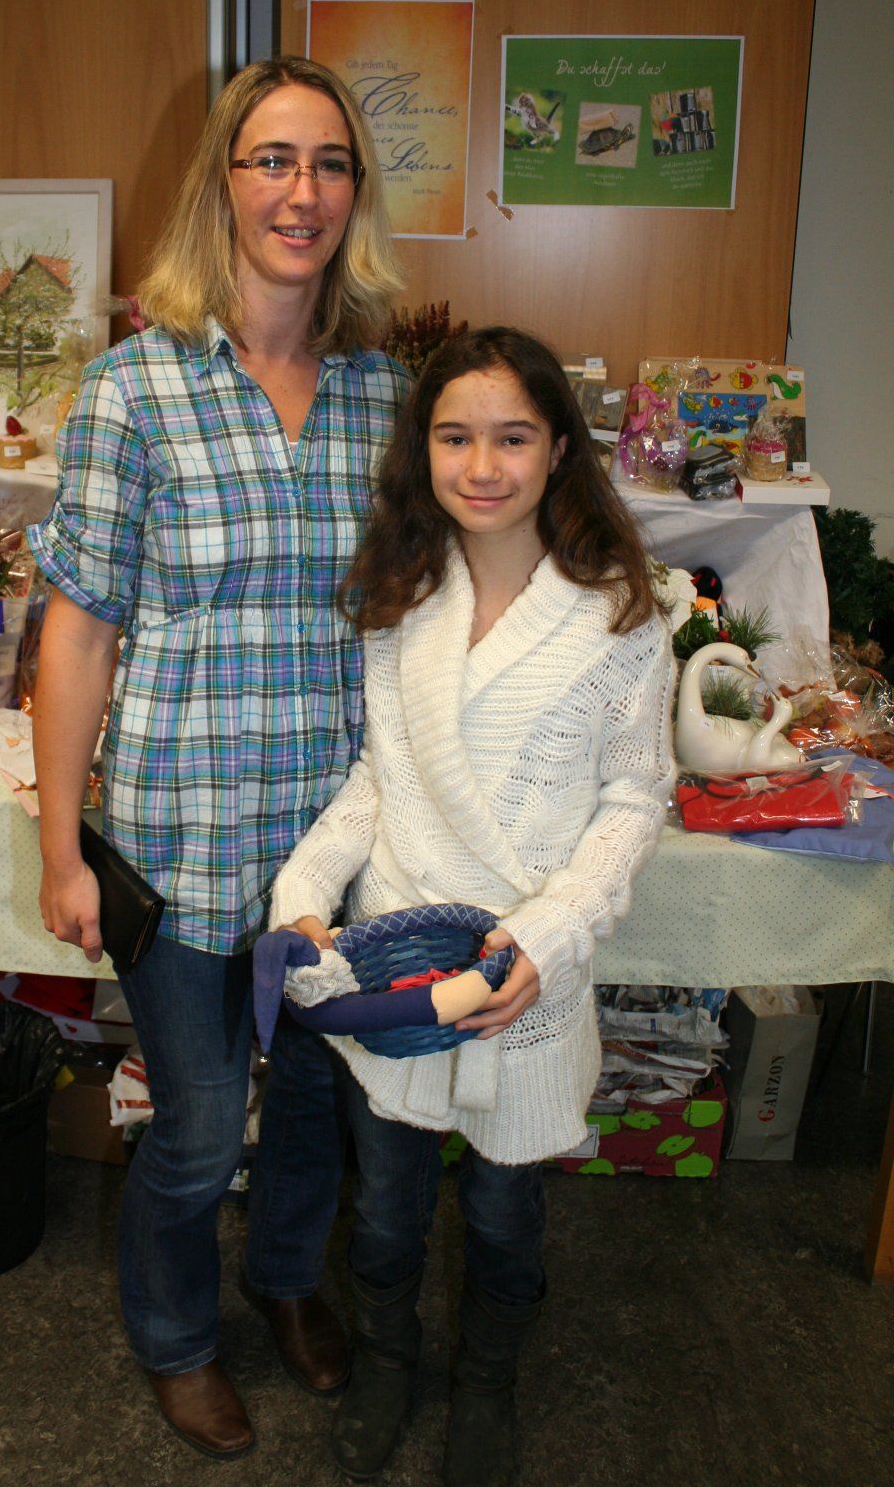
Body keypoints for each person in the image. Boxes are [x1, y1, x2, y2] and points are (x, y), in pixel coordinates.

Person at [25, 56, 405, 1460]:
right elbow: (78, 634)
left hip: (336, 846)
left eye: (330, 163)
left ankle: (288, 1281)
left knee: (311, 1103)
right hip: (180, 835)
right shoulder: (134, 390)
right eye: (272, 160)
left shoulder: (385, 397)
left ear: (354, 194)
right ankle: (176, 1337)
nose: (302, 192)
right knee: (193, 1127)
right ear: (224, 184)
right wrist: (62, 851)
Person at [268, 327, 676, 1487]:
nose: (483, 466)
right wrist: (305, 893)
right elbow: (379, 779)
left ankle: (488, 1381)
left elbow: (635, 798)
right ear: (423, 450)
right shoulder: (402, 595)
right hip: (399, 971)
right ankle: (388, 1363)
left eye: (513, 438)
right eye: (455, 437)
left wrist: (553, 932)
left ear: (559, 451)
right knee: (387, 1211)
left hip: (526, 973)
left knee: (503, 1216)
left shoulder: (621, 615)